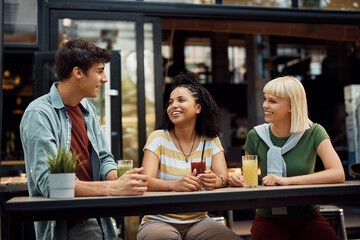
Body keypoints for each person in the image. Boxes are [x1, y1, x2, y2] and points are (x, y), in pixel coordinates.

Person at [20, 39, 148, 240]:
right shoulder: (39, 114)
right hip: (68, 226)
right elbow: (49, 183)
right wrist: (114, 188)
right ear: (78, 73)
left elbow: (104, 159)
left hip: (100, 219)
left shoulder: (87, 108)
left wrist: (121, 178)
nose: (104, 78)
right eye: (99, 71)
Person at [229, 76, 345, 240]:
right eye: (265, 99)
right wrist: (238, 180)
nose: (264, 105)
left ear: (291, 106)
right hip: (268, 219)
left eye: (272, 101)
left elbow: (337, 174)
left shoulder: (314, 132)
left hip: (308, 217)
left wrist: (288, 180)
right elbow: (250, 177)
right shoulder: (255, 136)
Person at [137, 72, 241, 240]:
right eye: (170, 102)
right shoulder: (159, 138)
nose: (173, 106)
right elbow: (145, 180)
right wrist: (174, 185)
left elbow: (223, 176)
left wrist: (216, 181)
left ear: (198, 108)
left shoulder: (211, 141)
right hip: (158, 220)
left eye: (181, 100)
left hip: (199, 220)